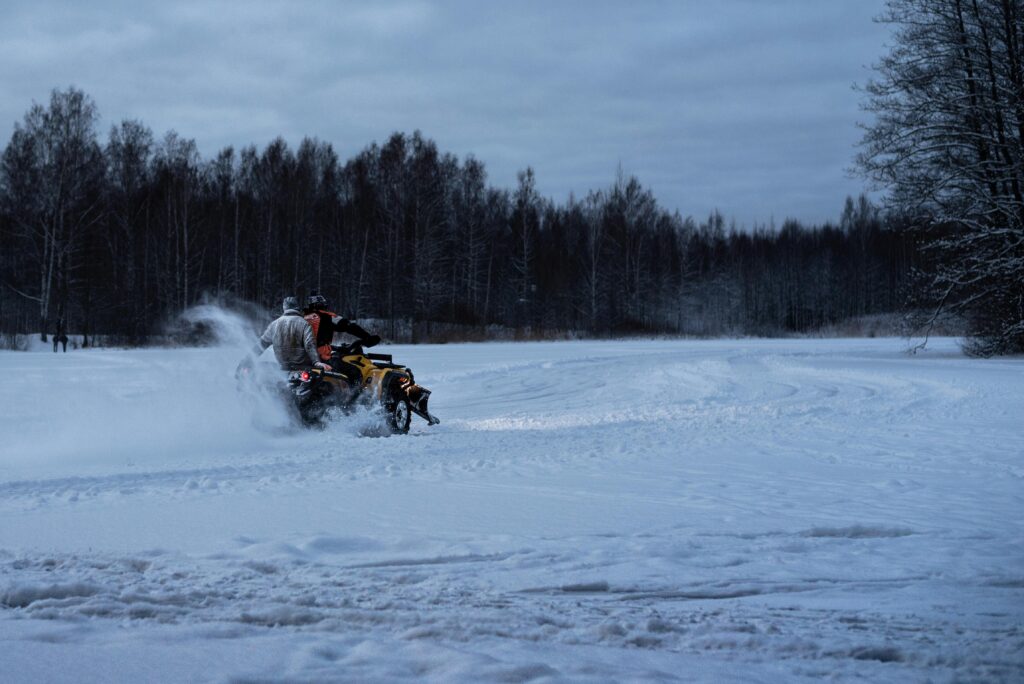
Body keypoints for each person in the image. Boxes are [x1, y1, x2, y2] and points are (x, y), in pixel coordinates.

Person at [240, 296, 330, 373]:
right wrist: (316, 362)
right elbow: (310, 344)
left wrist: (247, 361)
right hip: (302, 365)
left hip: (282, 365)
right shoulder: (304, 324)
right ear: (297, 307)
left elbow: (261, 345)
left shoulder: (274, 324)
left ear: (284, 307)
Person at [303, 290, 380, 365]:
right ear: (321, 305)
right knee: (352, 370)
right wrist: (367, 337)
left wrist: (335, 348)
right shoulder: (327, 316)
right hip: (321, 356)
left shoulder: (303, 317)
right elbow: (348, 326)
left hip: (303, 356)